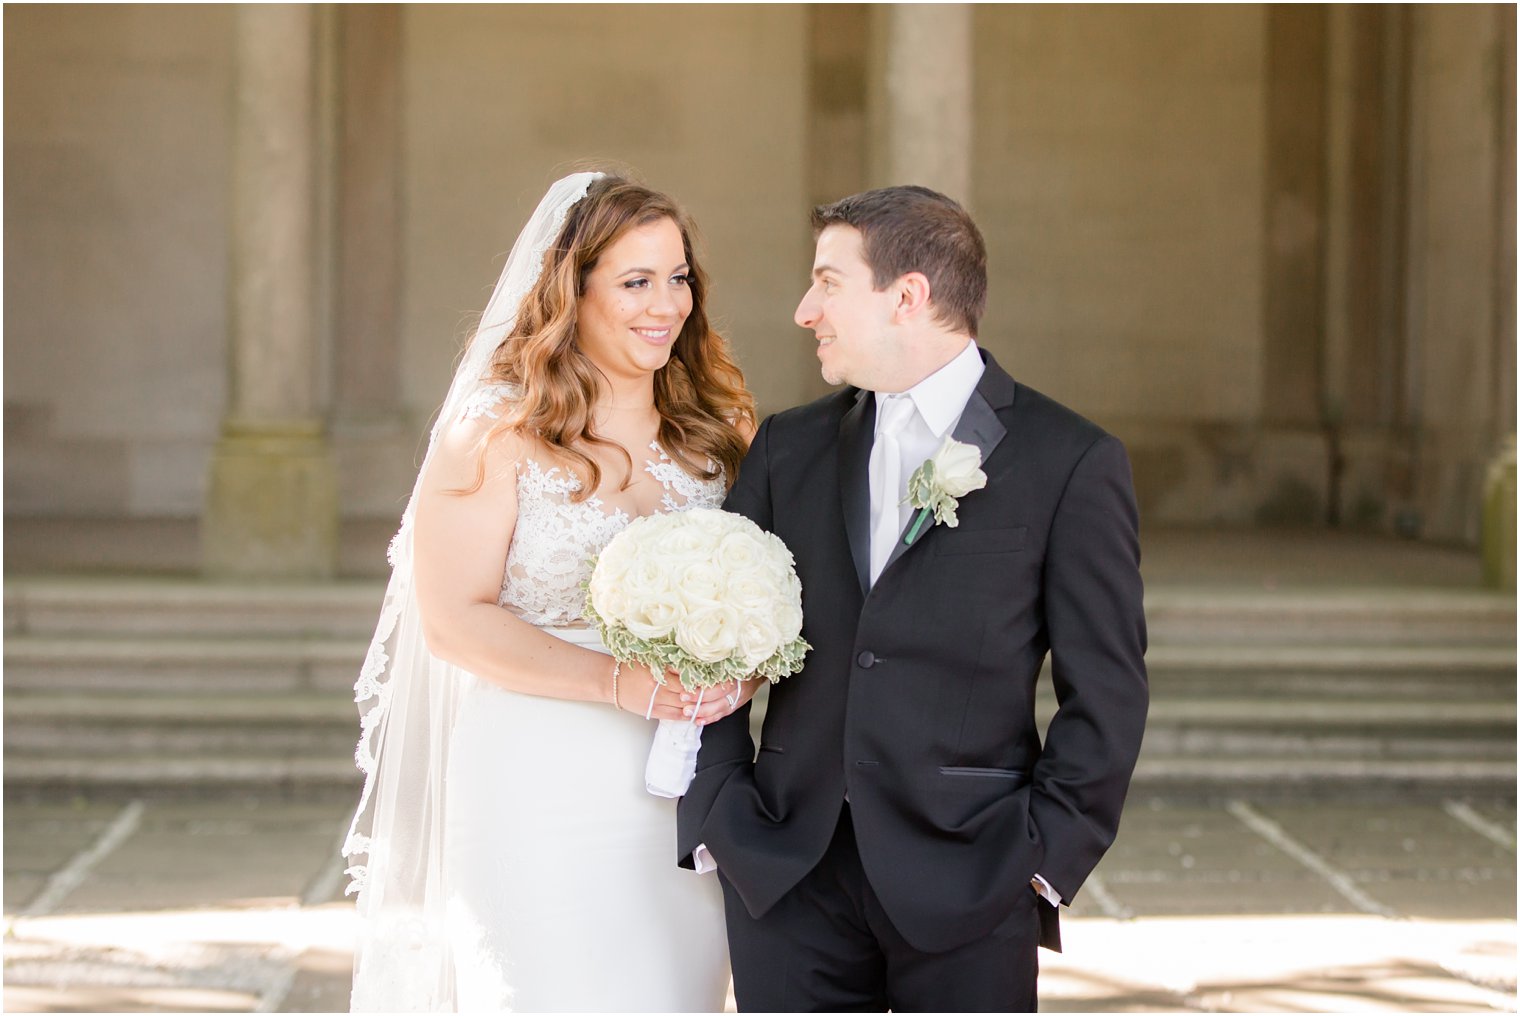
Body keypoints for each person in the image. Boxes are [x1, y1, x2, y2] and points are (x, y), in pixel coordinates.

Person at [677, 185, 1149, 1012]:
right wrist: (721, 810)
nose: (803, 309)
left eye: (828, 282)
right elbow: (711, 635)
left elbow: (1106, 689)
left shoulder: (1070, 461)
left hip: (975, 875)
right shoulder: (787, 449)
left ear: (907, 297)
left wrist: (1040, 863)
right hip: (786, 871)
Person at [344, 171, 759, 1012]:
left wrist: (745, 664)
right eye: (635, 281)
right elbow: (453, 619)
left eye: (678, 278)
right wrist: (617, 683)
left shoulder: (719, 428)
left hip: (690, 789)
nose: (666, 304)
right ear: (573, 290)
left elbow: (765, 591)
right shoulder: (496, 430)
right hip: (538, 780)